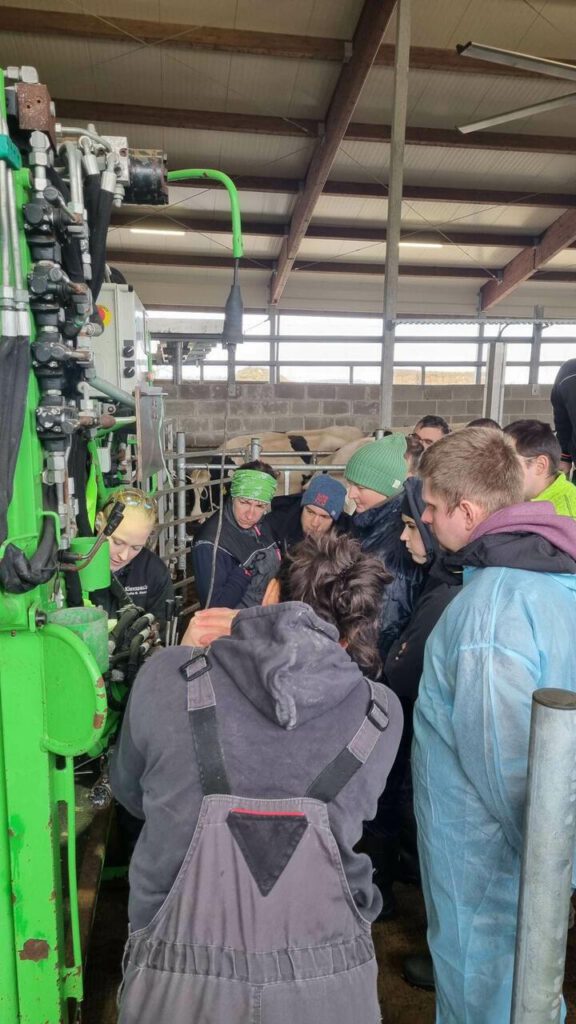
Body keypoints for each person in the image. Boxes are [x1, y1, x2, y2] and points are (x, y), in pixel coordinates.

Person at [111, 533, 403, 1024]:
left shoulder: (165, 676)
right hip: (328, 989)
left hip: (179, 986)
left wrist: (181, 660)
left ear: (269, 594)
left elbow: (130, 794)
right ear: (351, 633)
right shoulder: (381, 712)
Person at [412, 426, 576, 1023]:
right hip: (522, 863)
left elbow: (506, 767)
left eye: (433, 506)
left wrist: (554, 872)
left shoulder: (491, 612)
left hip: (485, 863)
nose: (427, 518)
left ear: (467, 511)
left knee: (484, 995)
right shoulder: (552, 575)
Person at [362, 477, 463, 925]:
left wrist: (389, 666)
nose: (406, 536)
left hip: (411, 708)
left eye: (412, 526)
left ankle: (381, 891)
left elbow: (407, 661)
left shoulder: (446, 586)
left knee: (390, 794)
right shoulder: (440, 574)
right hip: (415, 710)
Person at [345, 434, 424, 659]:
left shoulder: (393, 547)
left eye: (360, 487)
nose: (351, 494)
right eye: (350, 484)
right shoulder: (369, 523)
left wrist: (361, 665)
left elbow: (385, 621)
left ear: (386, 487)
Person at [192, 460, 280, 608]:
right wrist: (244, 571)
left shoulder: (261, 523)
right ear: (232, 496)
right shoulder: (210, 544)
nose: (250, 514)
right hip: (238, 620)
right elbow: (214, 607)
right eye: (244, 502)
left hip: (269, 614)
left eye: (260, 506)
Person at [91, 487, 174, 622]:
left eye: (136, 547)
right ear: (99, 522)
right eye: (118, 542)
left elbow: (162, 626)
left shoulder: (154, 572)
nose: (123, 556)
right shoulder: (76, 564)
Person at [504, 418, 576, 517]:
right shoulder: (518, 494)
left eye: (508, 462)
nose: (498, 471)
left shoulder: (567, 516)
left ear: (540, 466)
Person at [266, 473, 348, 552]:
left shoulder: (347, 537)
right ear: (302, 507)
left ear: (334, 520)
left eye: (324, 517)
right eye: (310, 512)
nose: (315, 523)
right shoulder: (275, 525)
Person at [551, 358, 576, 472]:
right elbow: (563, 423)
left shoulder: (568, 370)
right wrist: (565, 456)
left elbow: (562, 423)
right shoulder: (569, 370)